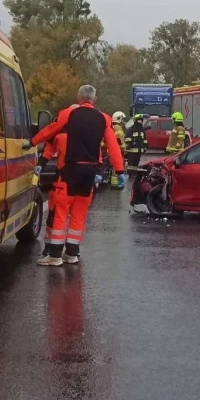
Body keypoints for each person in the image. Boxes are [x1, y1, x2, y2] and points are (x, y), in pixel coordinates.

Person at [26, 85, 125, 266]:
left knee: (61, 213)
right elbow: (113, 146)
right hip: (89, 173)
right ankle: (72, 254)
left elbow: (51, 130)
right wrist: (119, 171)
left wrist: (32, 142)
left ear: (79, 98)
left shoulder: (68, 114)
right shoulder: (104, 119)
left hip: (70, 171)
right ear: (94, 100)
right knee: (79, 214)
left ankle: (55, 256)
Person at [110, 111, 127, 187]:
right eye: (122, 119)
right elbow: (119, 139)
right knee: (117, 166)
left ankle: (114, 182)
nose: (123, 121)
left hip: (113, 149)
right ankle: (116, 183)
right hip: (118, 150)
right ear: (118, 118)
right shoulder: (118, 127)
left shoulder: (112, 126)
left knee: (114, 166)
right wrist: (124, 149)